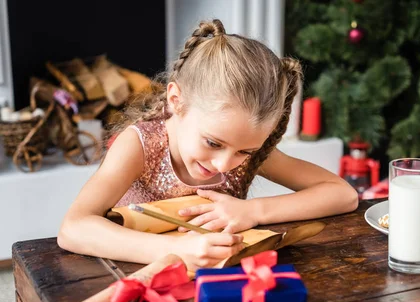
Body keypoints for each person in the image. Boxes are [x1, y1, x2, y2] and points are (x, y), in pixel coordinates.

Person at [58, 19, 358, 270]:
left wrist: (254, 211)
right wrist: (173, 250)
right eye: (213, 142)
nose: (225, 164)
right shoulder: (139, 145)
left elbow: (343, 195)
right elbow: (73, 228)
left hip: (216, 279)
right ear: (177, 101)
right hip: (136, 276)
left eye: (245, 152)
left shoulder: (246, 148)